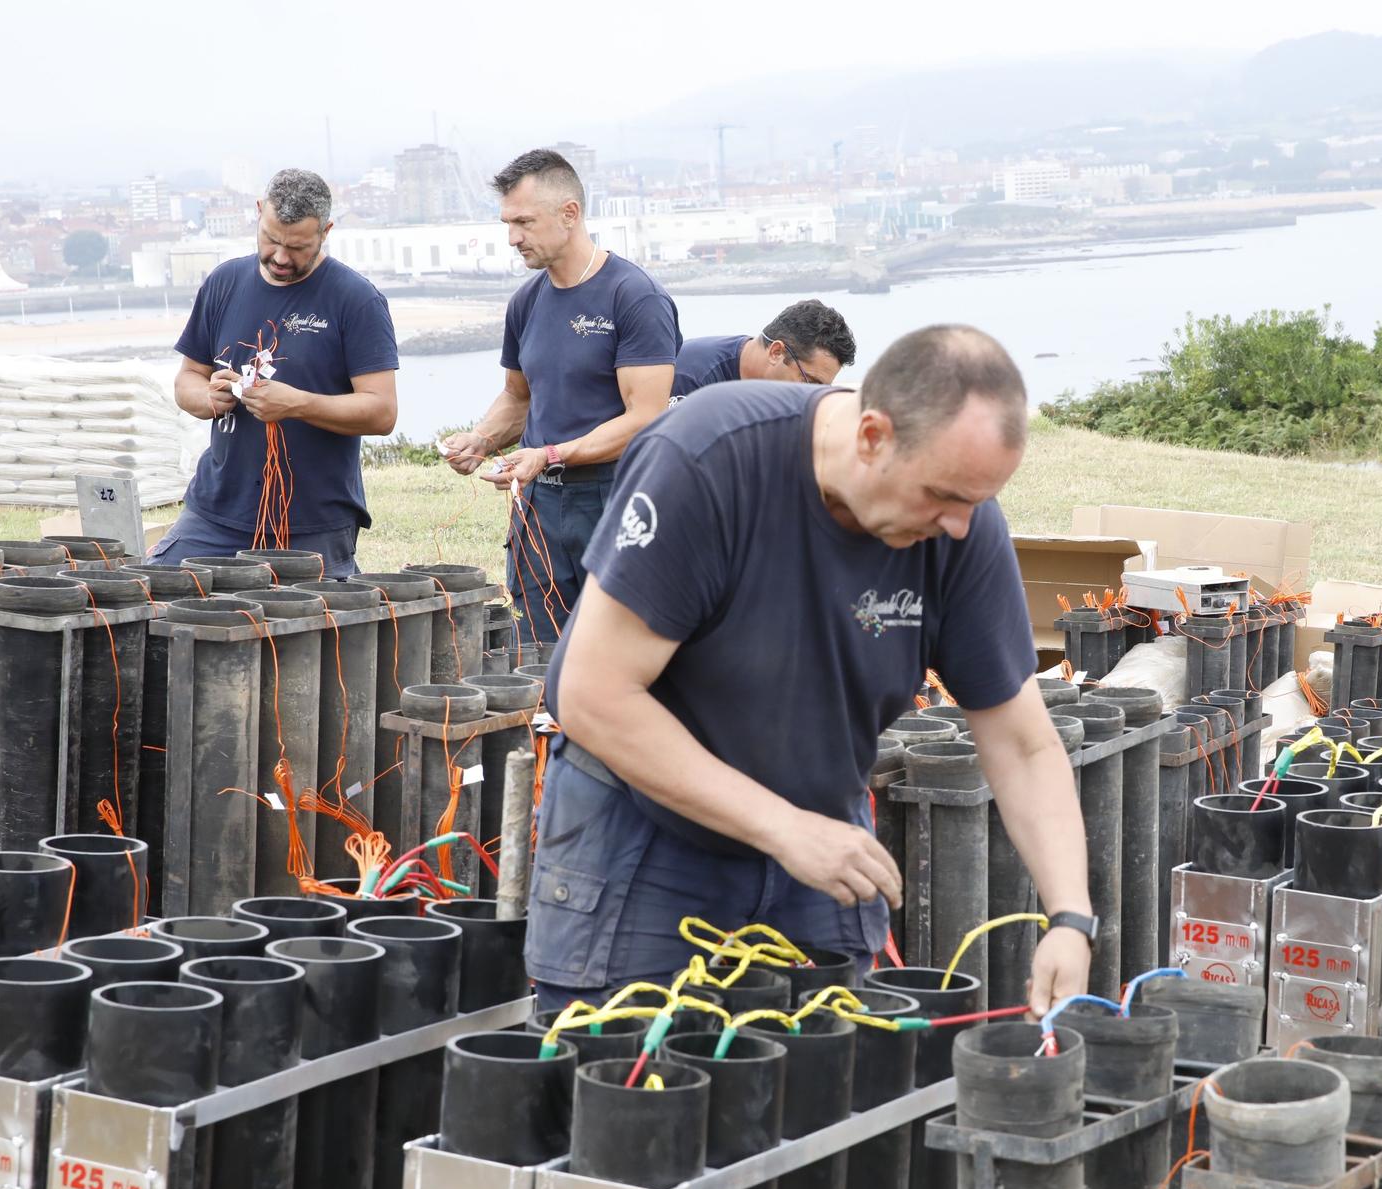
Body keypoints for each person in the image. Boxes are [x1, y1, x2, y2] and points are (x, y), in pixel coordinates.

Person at [525, 324, 1094, 1016]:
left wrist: (1070, 916)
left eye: (976, 501)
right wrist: (783, 827)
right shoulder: (707, 461)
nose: (957, 526)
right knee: (636, 1095)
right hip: (645, 837)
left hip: (819, 841)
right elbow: (592, 692)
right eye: (942, 495)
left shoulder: (960, 525)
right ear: (872, 435)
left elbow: (1023, 743)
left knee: (821, 1098)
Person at [439, 149, 680, 644]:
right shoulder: (526, 302)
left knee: (616, 651)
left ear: (569, 214)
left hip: (616, 496)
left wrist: (550, 454)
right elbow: (517, 396)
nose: (513, 237)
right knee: (536, 652)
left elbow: (645, 417)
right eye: (508, 223)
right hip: (539, 508)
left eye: (524, 221)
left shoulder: (635, 297)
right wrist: (480, 439)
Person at [162, 168, 398, 577]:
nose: (281, 257)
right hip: (216, 510)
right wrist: (206, 399)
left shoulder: (356, 300)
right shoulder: (224, 283)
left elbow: (382, 413)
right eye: (271, 239)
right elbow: (187, 378)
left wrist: (298, 404)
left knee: (307, 634)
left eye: (298, 246)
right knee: (158, 595)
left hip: (311, 522)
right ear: (258, 213)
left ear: (326, 231)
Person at [671, 298, 857, 399]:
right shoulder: (692, 378)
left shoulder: (777, 391)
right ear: (776, 352)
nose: (812, 396)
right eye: (811, 383)